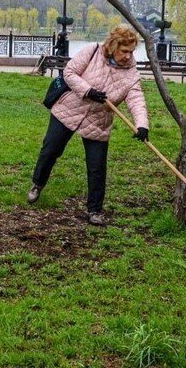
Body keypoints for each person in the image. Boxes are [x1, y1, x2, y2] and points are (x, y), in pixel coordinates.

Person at [27, 25, 149, 226]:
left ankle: (95, 210)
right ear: (113, 46)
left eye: (131, 51)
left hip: (98, 121)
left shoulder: (131, 74)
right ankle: (37, 184)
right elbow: (70, 72)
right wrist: (88, 91)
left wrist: (142, 125)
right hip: (68, 109)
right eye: (124, 51)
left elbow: (136, 99)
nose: (128, 56)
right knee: (50, 150)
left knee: (96, 166)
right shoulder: (92, 51)